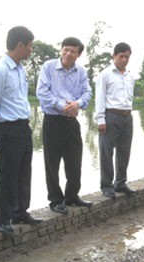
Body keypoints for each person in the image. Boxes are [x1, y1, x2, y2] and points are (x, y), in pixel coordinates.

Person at [0, 26, 42, 237]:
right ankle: (1, 218)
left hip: (22, 127)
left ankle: (20, 211)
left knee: (23, 172)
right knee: (7, 175)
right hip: (7, 128)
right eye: (30, 46)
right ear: (20, 45)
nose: (31, 50)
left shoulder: (19, 69)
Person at [36, 37, 93, 215]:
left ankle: (72, 196)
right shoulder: (48, 67)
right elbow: (42, 92)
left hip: (71, 122)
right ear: (61, 49)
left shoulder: (81, 71)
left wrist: (77, 104)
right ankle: (55, 200)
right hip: (52, 121)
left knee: (74, 161)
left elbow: (87, 92)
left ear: (78, 54)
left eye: (73, 51)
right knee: (52, 163)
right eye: (65, 49)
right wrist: (63, 106)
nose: (68, 54)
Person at [95, 42, 136, 199]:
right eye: (121, 56)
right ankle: (107, 185)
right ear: (114, 56)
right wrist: (100, 119)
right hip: (111, 115)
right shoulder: (105, 74)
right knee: (106, 151)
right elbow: (100, 98)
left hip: (127, 116)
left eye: (127, 57)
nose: (124, 60)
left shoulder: (130, 76)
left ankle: (121, 182)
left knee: (124, 151)